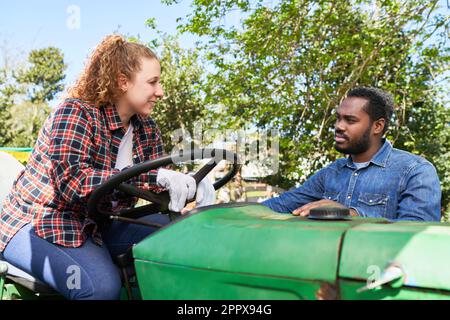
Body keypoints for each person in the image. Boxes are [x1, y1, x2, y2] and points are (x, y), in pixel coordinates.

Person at [0, 34, 215, 300]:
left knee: (187, 234)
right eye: (153, 82)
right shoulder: (76, 113)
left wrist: (190, 184)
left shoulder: (146, 130)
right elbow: (72, 182)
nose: (160, 92)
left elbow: (152, 186)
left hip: (101, 223)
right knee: (99, 288)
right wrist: (157, 176)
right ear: (123, 82)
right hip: (42, 221)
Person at [263, 87, 441, 221]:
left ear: (377, 126)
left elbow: (417, 233)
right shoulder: (330, 173)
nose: (339, 126)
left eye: (350, 120)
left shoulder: (415, 171)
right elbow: (278, 206)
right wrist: (237, 210)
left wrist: (351, 215)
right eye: (338, 118)